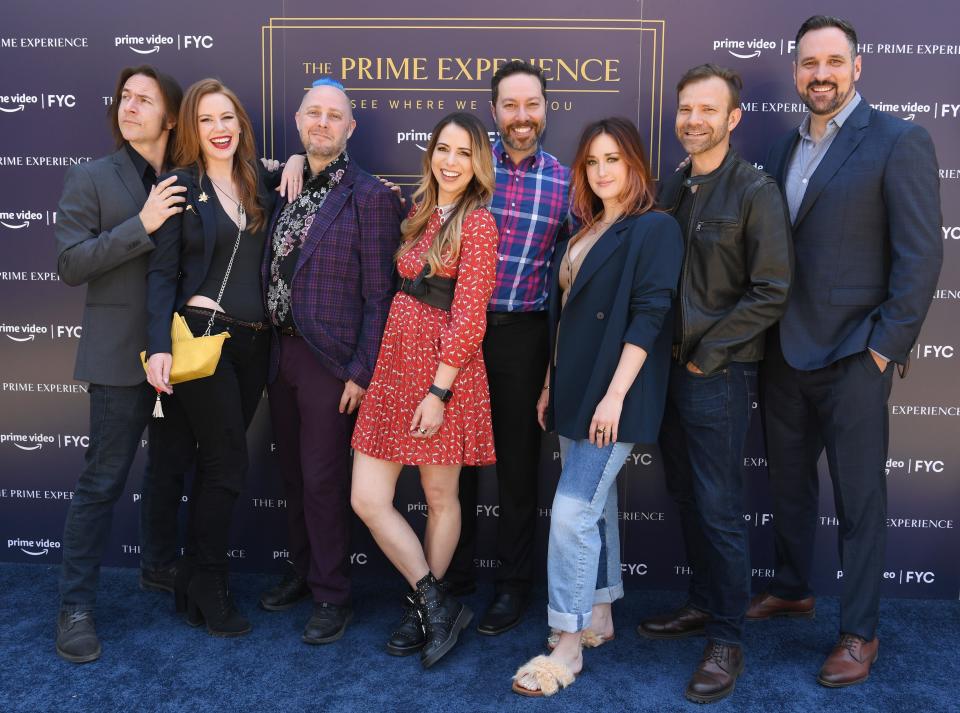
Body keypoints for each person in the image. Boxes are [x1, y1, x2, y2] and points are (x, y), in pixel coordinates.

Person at [749, 15, 942, 687]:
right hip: (783, 353)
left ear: (857, 68)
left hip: (856, 357)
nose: (820, 74)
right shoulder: (779, 149)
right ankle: (792, 586)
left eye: (834, 62)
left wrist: (882, 351)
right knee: (788, 485)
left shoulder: (898, 140)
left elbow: (921, 257)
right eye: (809, 64)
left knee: (860, 502)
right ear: (796, 71)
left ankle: (859, 632)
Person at [636, 64, 792, 704]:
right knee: (685, 493)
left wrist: (708, 353)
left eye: (708, 110)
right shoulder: (671, 185)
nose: (692, 120)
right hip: (663, 373)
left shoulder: (755, 191)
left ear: (733, 119)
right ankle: (702, 603)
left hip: (716, 374)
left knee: (721, 506)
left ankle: (727, 638)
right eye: (685, 109)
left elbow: (771, 290)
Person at [512, 117, 683, 696]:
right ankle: (602, 616)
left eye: (614, 159)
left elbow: (650, 317)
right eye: (592, 162)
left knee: (570, 512)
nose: (603, 171)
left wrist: (615, 396)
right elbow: (565, 323)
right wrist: (547, 384)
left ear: (635, 164)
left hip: (614, 395)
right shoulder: (582, 229)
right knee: (598, 507)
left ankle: (565, 644)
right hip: (571, 390)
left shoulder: (653, 229)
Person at [54, 65, 195, 663]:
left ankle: (158, 566)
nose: (129, 107)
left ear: (170, 115)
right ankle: (75, 607)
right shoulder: (91, 178)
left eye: (145, 100)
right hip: (118, 357)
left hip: (188, 356)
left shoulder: (194, 177)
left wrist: (286, 166)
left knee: (168, 472)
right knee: (103, 481)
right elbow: (70, 263)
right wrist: (142, 225)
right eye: (124, 98)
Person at [350, 112, 499, 668]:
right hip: (394, 368)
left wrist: (439, 393)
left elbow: (469, 319)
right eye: (443, 149)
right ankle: (435, 606)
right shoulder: (418, 212)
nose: (451, 161)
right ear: (431, 154)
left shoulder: (479, 224)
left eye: (464, 152)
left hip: (443, 373)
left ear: (477, 162)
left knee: (440, 498)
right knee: (367, 497)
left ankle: (424, 611)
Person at [257, 79, 401, 645]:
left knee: (321, 479)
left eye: (333, 115)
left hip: (330, 362)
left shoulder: (370, 196)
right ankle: (302, 569)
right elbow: (225, 156)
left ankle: (332, 593)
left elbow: (380, 294)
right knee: (292, 474)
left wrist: (362, 372)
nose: (322, 122)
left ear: (350, 128)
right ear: (297, 121)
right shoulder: (282, 183)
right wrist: (289, 160)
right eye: (313, 113)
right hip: (279, 353)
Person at [144, 78, 280, 637]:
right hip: (202, 338)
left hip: (255, 341)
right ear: (191, 130)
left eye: (228, 118)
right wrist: (155, 346)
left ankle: (195, 577)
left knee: (215, 462)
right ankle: (210, 581)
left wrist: (293, 159)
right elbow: (161, 273)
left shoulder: (260, 182)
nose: (220, 129)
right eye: (206, 120)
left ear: (241, 124)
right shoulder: (180, 186)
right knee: (227, 463)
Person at [447, 60, 572, 636]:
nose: (522, 117)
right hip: (457, 334)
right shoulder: (469, 168)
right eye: (510, 106)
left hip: (523, 336)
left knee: (519, 469)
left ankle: (513, 585)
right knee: (456, 462)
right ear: (494, 110)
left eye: (532, 105)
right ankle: (455, 574)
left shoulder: (568, 182)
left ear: (546, 108)